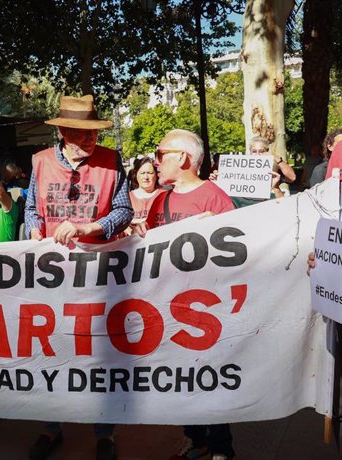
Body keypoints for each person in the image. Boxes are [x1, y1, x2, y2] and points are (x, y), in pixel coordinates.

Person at [24, 94, 133, 460]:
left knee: (98, 350)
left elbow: (123, 210)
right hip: (52, 276)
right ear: (64, 132)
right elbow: (30, 209)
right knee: (52, 349)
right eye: (81, 135)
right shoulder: (39, 162)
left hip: (99, 270)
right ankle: (51, 427)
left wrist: (89, 227)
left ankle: (105, 433)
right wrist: (34, 231)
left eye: (93, 135)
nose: (90, 141)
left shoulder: (112, 161)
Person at [133, 129, 236, 460]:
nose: (156, 161)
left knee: (209, 379)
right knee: (180, 379)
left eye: (161, 154)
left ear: (184, 158)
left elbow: (240, 252)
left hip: (207, 310)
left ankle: (222, 447)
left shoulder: (215, 198)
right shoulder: (160, 199)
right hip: (168, 304)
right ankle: (195, 439)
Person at [128, 156, 161, 224]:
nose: (146, 177)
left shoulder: (163, 196)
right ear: (136, 174)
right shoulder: (127, 198)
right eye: (142, 173)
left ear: (156, 175)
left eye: (150, 173)